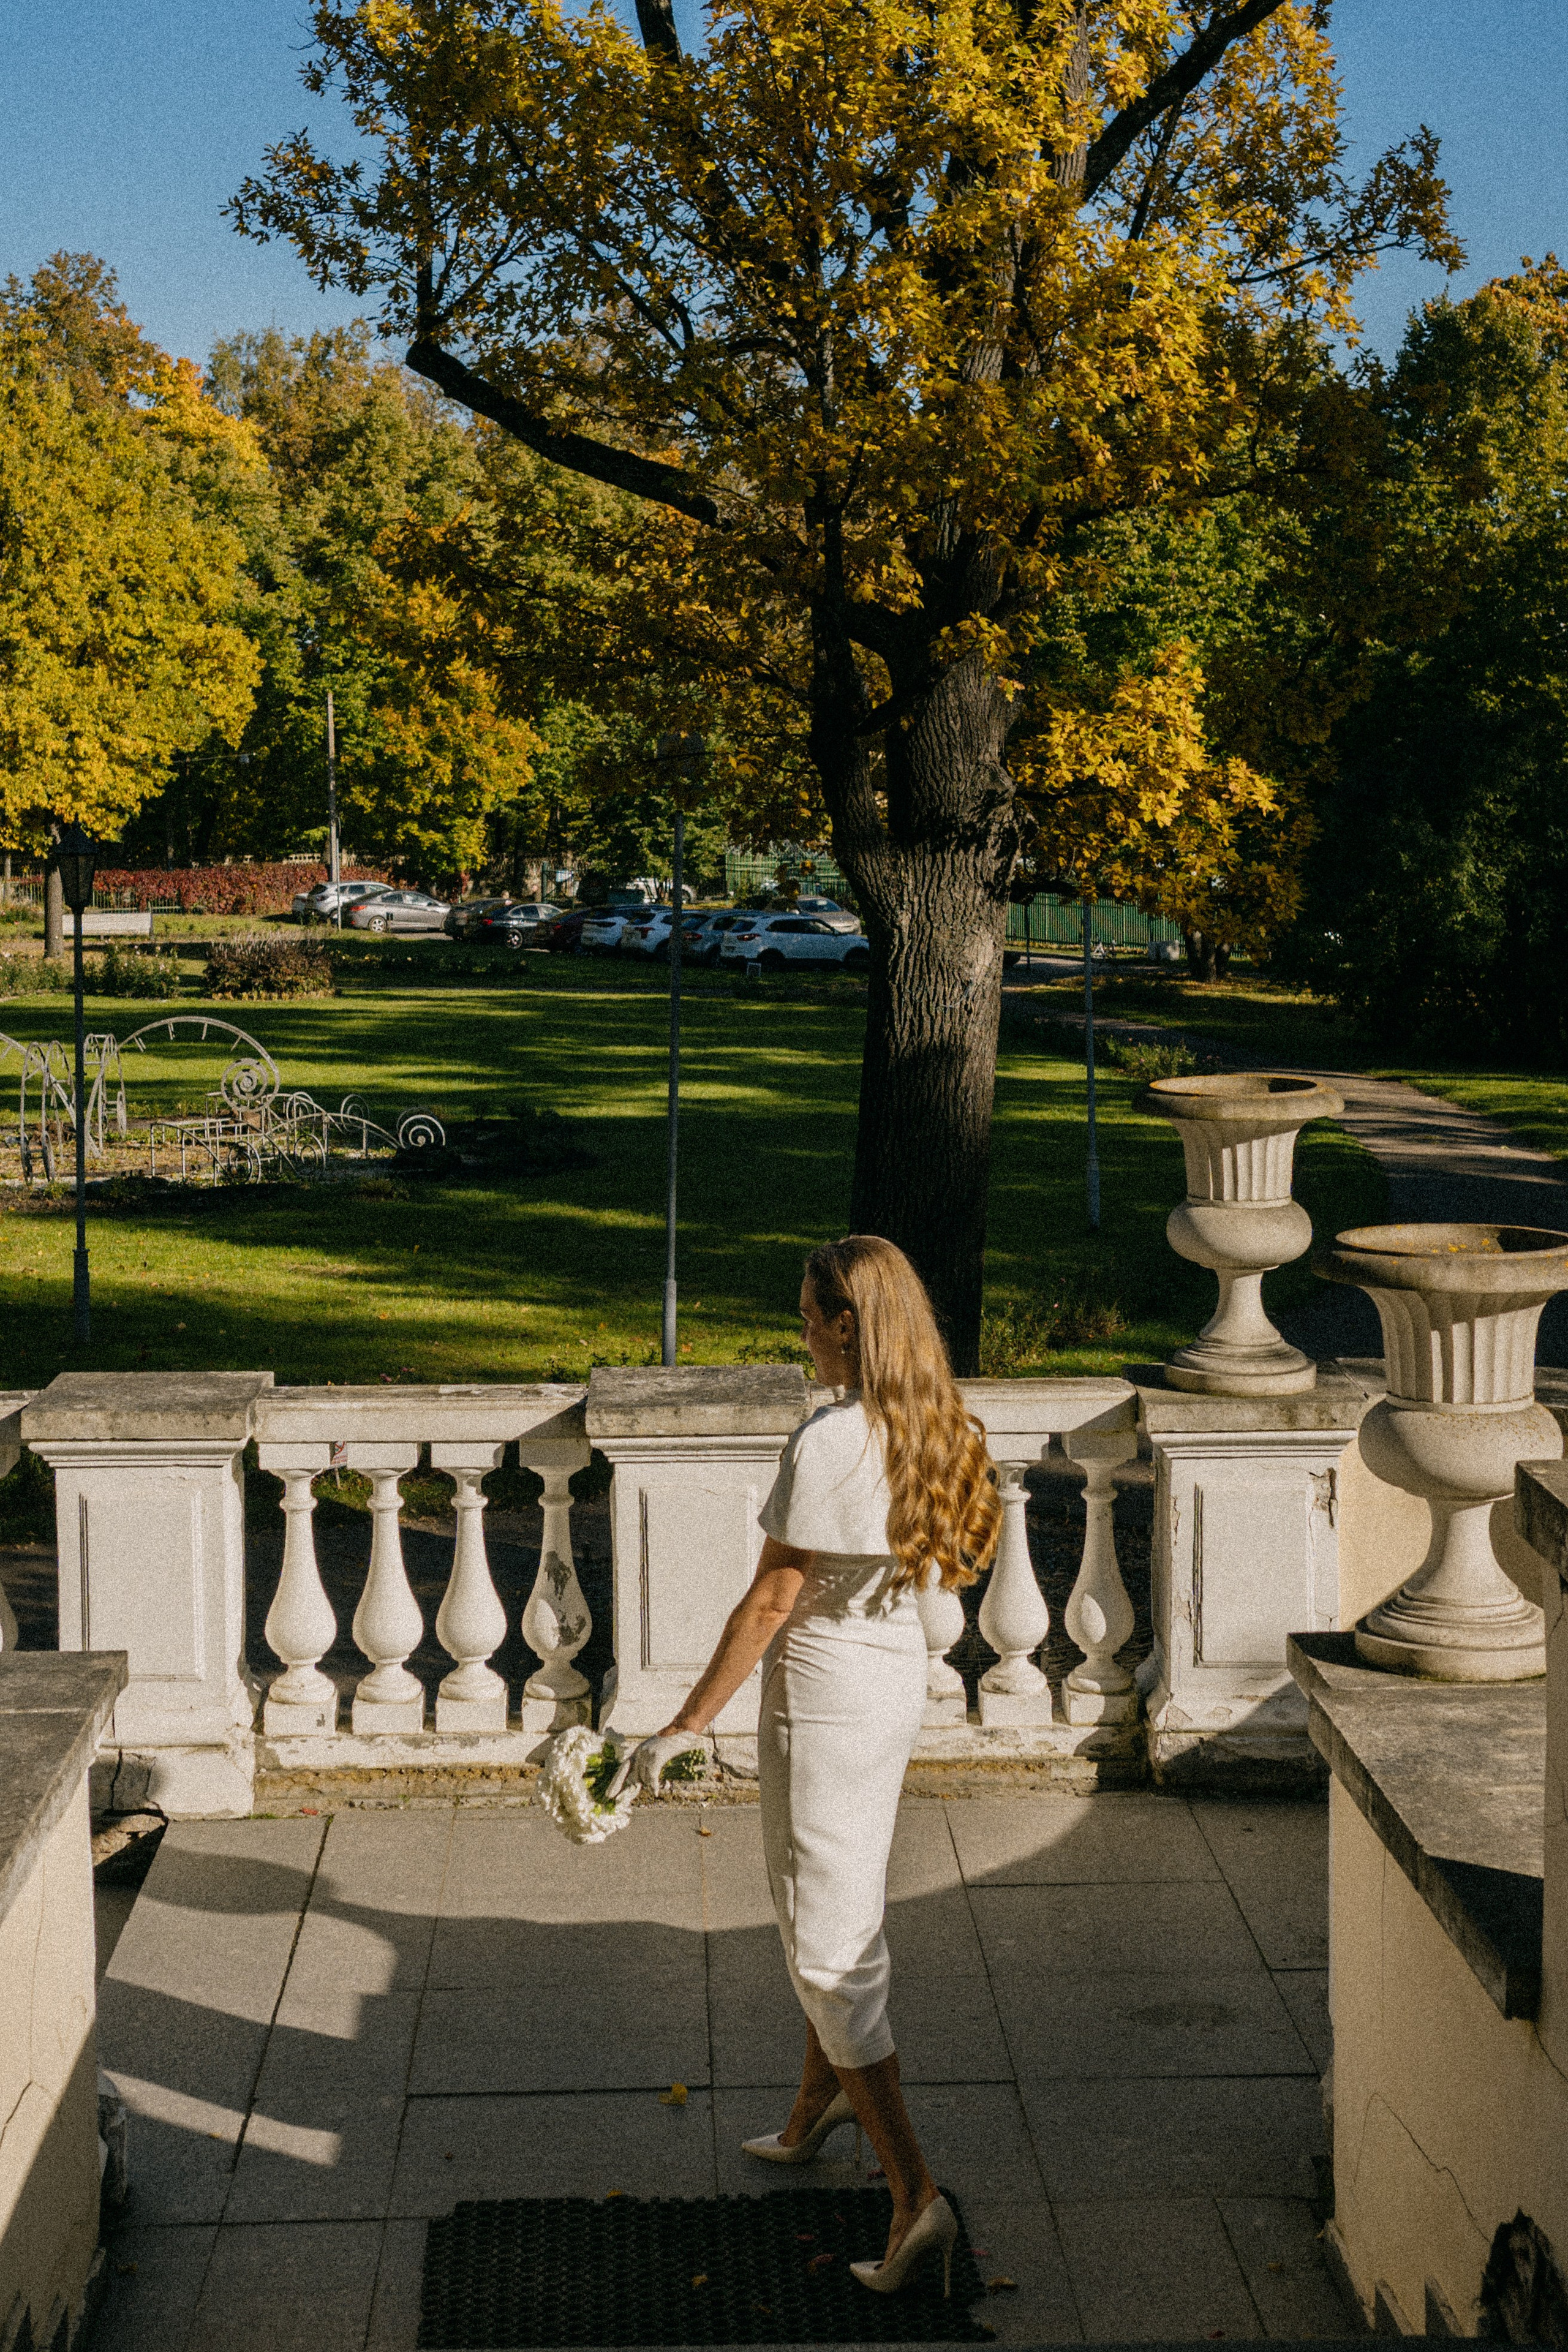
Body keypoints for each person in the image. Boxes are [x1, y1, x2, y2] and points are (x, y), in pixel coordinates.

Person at [612, 1235, 1001, 2295]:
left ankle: (917, 2199)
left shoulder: (830, 1442)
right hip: (887, 1692)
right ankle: (815, 2104)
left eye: (808, 1316)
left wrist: (684, 1726)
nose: (798, 1331)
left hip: (826, 1700)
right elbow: (947, 1572)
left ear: (847, 1325)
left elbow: (774, 1602)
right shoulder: (942, 1421)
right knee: (837, 1891)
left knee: (825, 1935)